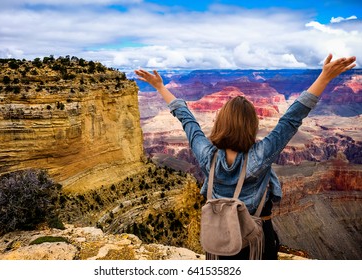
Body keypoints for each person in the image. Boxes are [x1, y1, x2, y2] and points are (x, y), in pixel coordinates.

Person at [135, 54, 357, 259]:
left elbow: (187, 119)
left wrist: (160, 87)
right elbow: (291, 119)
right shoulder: (259, 157)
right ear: (252, 126)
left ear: (220, 123)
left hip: (218, 240)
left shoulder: (206, 155)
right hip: (256, 241)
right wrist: (324, 78)